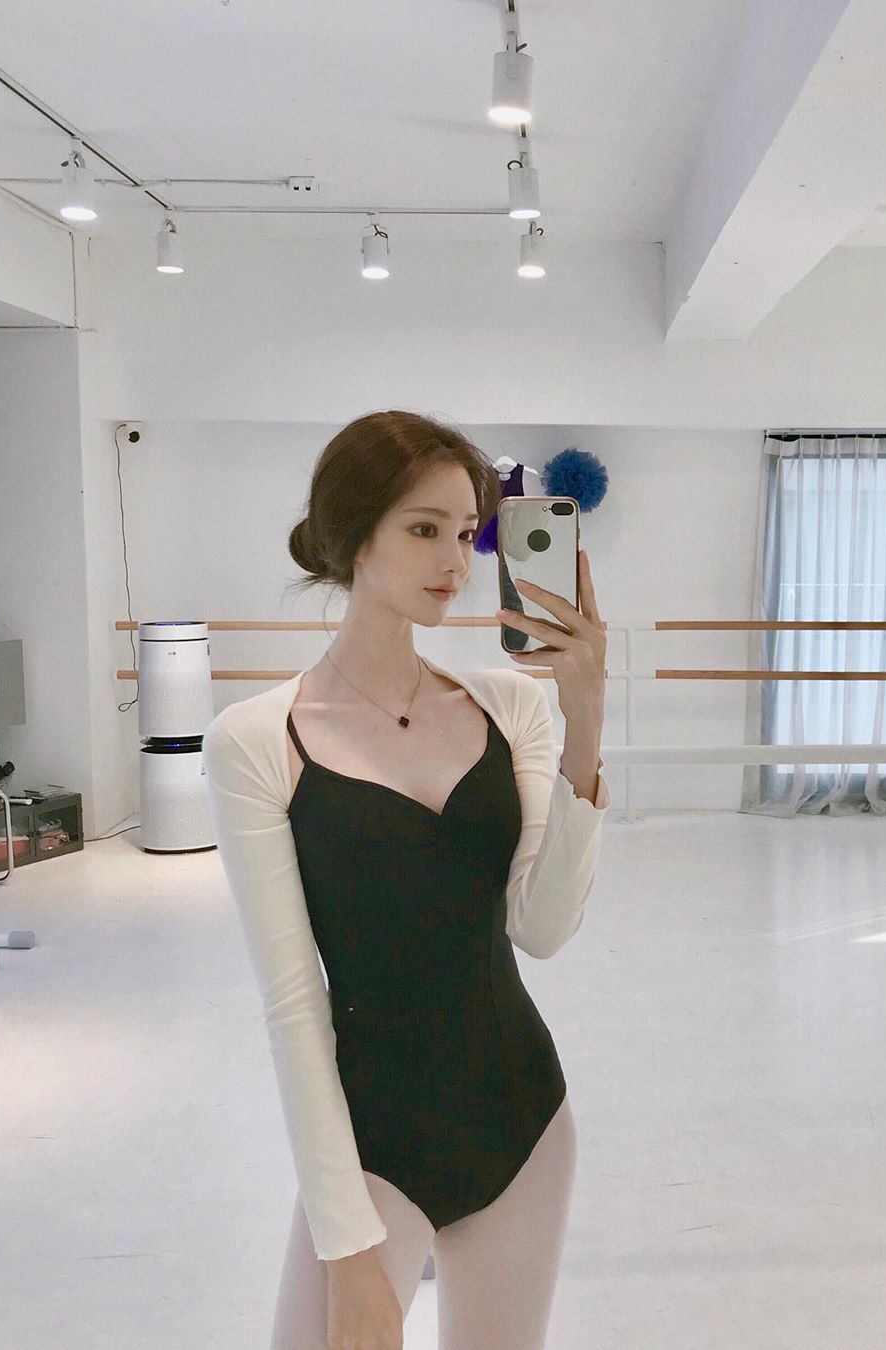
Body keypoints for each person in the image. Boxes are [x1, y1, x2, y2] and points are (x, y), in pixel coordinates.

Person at [203, 410, 610, 1349]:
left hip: (523, 1122)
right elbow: (293, 1005)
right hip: (372, 1149)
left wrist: (585, 718)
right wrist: (348, 1251)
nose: (455, 561)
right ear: (354, 535)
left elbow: (542, 928)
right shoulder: (257, 742)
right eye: (425, 529)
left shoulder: (509, 707)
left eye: (466, 534)